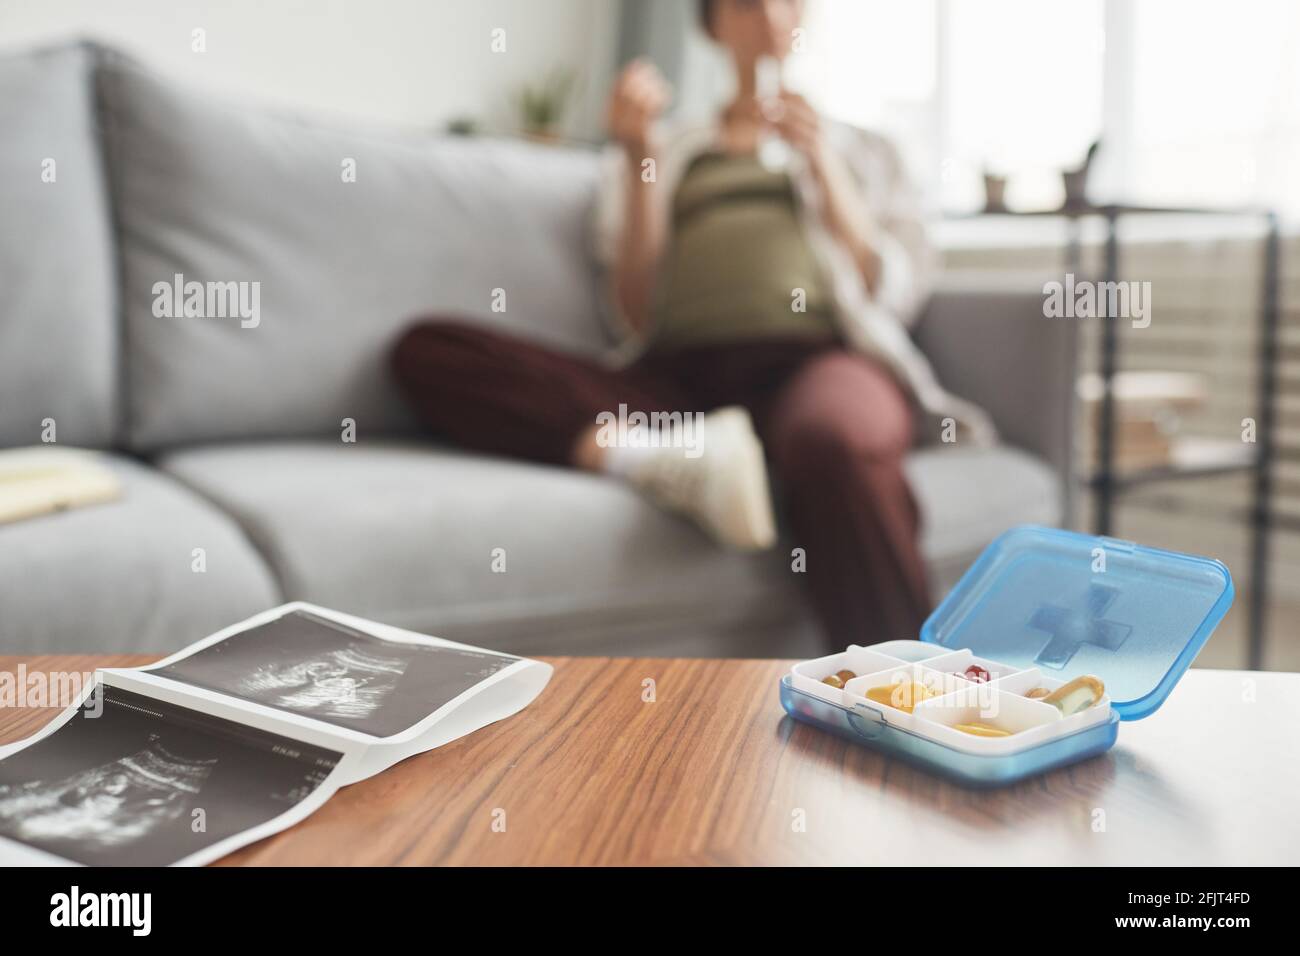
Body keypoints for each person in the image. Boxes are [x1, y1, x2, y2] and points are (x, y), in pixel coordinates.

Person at [392, 0, 992, 644]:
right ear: (712, 25)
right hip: (681, 389)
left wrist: (822, 164)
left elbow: (893, 289)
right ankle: (657, 457)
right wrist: (640, 158)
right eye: (745, 5)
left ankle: (902, 693)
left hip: (818, 364)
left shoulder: (862, 149)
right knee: (430, 349)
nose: (767, 19)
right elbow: (632, 309)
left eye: (784, 4)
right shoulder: (670, 150)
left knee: (833, 443)